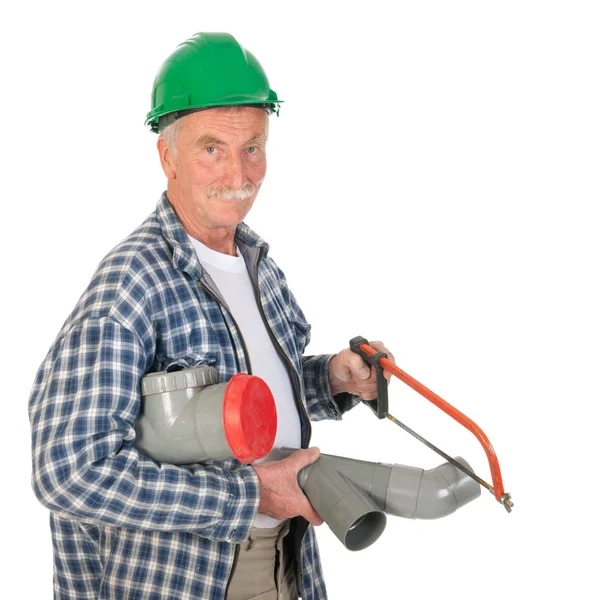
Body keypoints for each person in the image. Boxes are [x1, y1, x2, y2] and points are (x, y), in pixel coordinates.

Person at [28, 32, 395, 600]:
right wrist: (248, 497)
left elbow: (249, 404)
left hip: (289, 564)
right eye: (211, 149)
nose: (239, 173)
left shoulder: (256, 264)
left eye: (253, 146)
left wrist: (331, 380)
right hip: (184, 580)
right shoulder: (130, 285)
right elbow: (70, 470)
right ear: (167, 155)